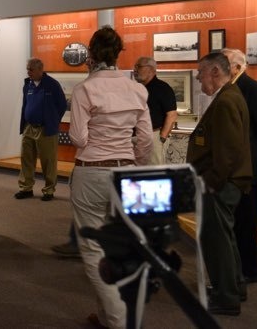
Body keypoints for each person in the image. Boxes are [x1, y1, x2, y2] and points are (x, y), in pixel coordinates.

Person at [69, 26, 153, 328]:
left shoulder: (85, 89)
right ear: (119, 53)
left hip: (92, 172)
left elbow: (78, 138)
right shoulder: (137, 89)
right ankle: (108, 315)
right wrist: (132, 162)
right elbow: (145, 140)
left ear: (90, 54)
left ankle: (119, 321)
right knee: (121, 246)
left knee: (93, 249)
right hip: (126, 173)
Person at [186, 52, 252, 316]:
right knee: (226, 237)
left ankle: (226, 298)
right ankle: (234, 286)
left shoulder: (226, 101)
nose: (199, 78)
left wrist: (209, 184)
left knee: (217, 240)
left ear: (215, 71)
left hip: (221, 184)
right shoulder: (230, 96)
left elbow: (226, 153)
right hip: (227, 182)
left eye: (201, 73)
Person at [222, 48, 257, 284]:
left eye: (225, 63)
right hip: (239, 169)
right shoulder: (234, 88)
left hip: (248, 170)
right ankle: (242, 270)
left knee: (246, 224)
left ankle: (249, 272)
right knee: (239, 223)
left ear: (237, 67)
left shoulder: (251, 88)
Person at [14, 58, 66, 201]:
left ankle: (49, 190)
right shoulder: (27, 85)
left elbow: (62, 105)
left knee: (48, 161)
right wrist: (24, 125)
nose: (28, 72)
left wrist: (53, 121)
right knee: (26, 159)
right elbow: (25, 105)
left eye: (31, 69)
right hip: (29, 128)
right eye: (27, 69)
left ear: (40, 69)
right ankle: (26, 188)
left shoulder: (52, 85)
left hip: (46, 129)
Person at [133, 56, 178, 164]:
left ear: (150, 69)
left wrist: (161, 138)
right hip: (136, 138)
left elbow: (171, 115)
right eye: (135, 67)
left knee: (153, 174)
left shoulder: (163, 88)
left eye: (138, 66)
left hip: (153, 137)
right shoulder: (137, 88)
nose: (135, 70)